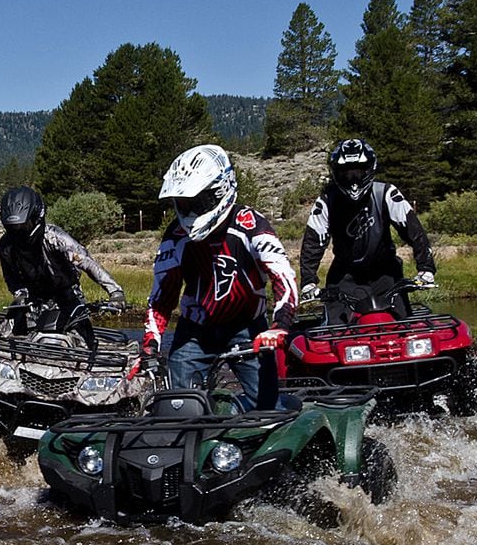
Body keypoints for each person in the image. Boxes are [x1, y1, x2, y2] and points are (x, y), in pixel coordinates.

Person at [146, 143, 299, 409]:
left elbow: (283, 276)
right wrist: (150, 344)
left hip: (248, 328)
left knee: (267, 411)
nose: (191, 213)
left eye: (198, 202)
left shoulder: (250, 224)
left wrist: (281, 325)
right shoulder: (176, 236)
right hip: (195, 330)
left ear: (221, 191)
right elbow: (161, 297)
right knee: (177, 408)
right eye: (184, 204)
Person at [299, 138, 437, 313]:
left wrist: (426, 269)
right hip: (344, 276)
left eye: (358, 172)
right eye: (346, 173)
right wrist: (308, 282)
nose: (353, 180)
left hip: (386, 273)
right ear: (336, 173)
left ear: (370, 169)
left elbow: (414, 232)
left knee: (403, 327)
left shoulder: (386, 193)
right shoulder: (327, 201)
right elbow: (313, 243)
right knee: (335, 332)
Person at [0, 186, 126, 350]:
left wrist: (115, 291)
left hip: (67, 296)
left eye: (24, 226)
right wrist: (19, 294)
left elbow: (87, 262)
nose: (18, 232)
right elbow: (11, 276)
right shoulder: (7, 244)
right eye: (12, 228)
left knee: (86, 342)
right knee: (4, 338)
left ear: (37, 217)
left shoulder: (54, 237)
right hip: (32, 299)